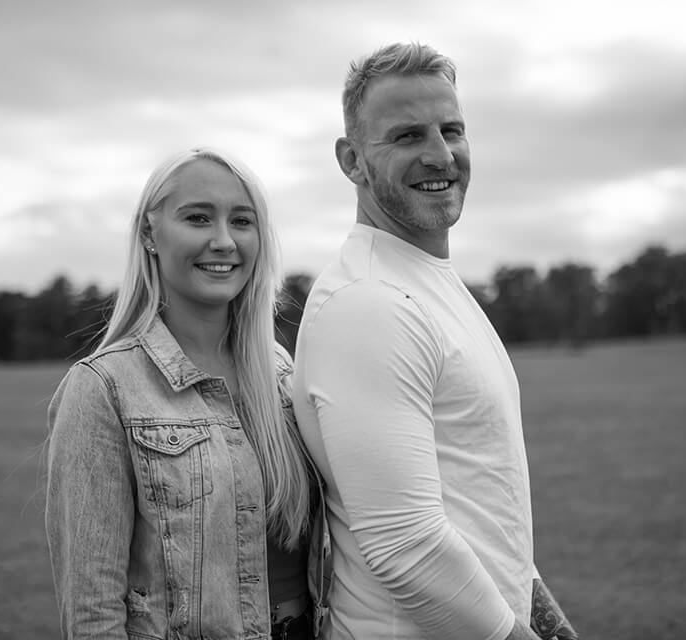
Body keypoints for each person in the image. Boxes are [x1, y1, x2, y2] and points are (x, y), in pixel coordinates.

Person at [290, 43, 579, 640]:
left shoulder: (424, 280)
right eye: (407, 136)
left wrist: (552, 627)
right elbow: (407, 546)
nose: (440, 154)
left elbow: (482, 512)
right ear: (351, 160)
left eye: (452, 130)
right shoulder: (368, 303)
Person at [45, 148, 328, 640]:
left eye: (242, 221)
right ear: (149, 234)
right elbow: (92, 609)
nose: (223, 241)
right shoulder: (104, 388)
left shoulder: (283, 374)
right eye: (198, 218)